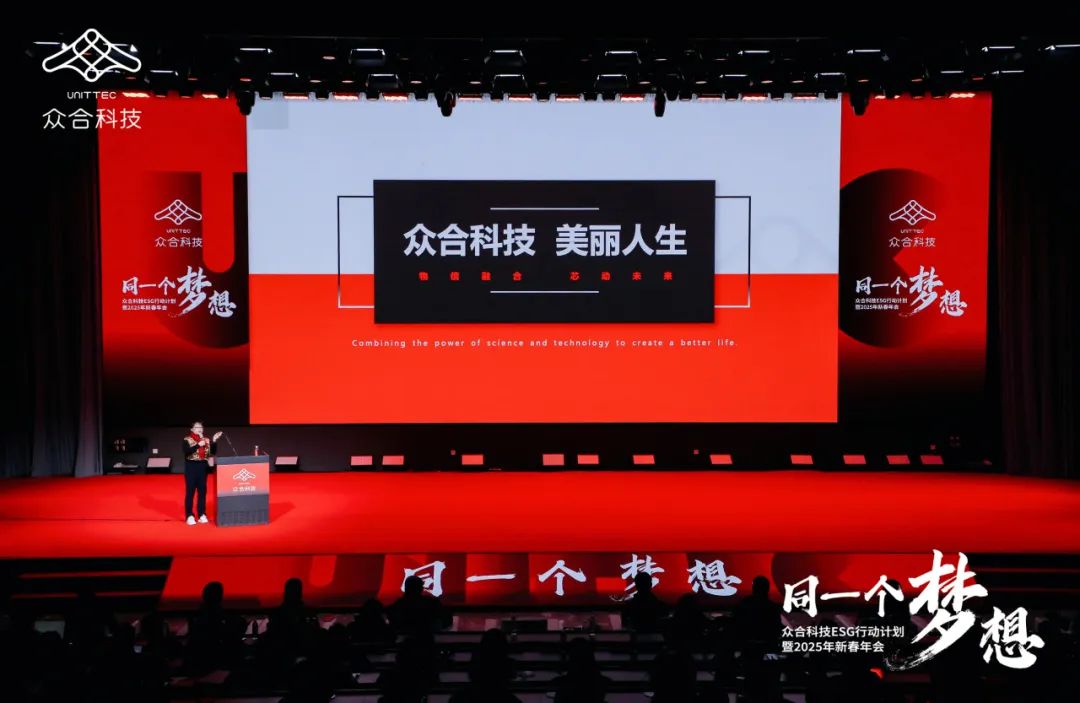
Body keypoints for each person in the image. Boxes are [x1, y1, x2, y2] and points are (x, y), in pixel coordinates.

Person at [183, 421, 222, 525]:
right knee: (190, 492)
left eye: (201, 427)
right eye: (197, 427)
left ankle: (201, 514)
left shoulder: (206, 440)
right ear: (192, 429)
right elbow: (186, 451)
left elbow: (212, 452)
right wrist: (198, 445)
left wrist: (214, 440)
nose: (199, 429)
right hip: (191, 467)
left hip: (203, 467)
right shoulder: (187, 439)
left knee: (202, 492)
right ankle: (189, 515)